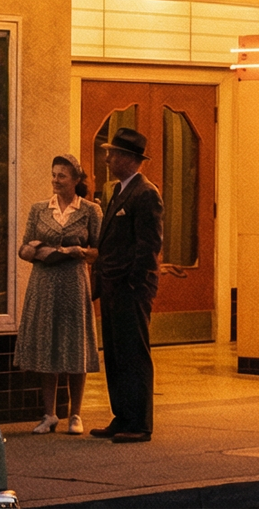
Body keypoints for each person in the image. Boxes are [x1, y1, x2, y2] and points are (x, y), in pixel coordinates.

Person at [18, 155, 101, 434]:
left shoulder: (90, 211)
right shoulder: (39, 209)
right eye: (53, 175)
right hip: (44, 281)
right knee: (47, 342)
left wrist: (78, 252)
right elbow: (24, 248)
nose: (55, 180)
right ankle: (49, 413)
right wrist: (36, 250)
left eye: (61, 176)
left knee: (75, 343)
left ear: (76, 180)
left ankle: (75, 414)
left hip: (74, 282)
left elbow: (98, 252)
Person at [92, 128, 162, 443]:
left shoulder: (145, 193)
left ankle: (139, 422)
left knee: (134, 353)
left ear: (130, 159)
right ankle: (122, 415)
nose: (108, 158)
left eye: (114, 153)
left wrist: (135, 284)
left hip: (130, 288)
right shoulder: (118, 191)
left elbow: (148, 245)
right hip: (112, 287)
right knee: (117, 354)